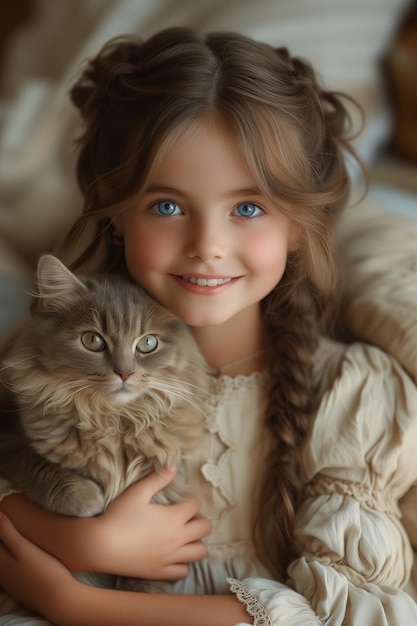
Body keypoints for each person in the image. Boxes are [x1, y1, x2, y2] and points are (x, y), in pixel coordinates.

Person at [1, 26, 417, 626]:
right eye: (167, 206)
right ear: (118, 211)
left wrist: (80, 604)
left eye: (248, 208)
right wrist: (78, 543)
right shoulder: (58, 357)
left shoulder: (352, 394)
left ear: (299, 223)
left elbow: (352, 611)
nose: (207, 247)